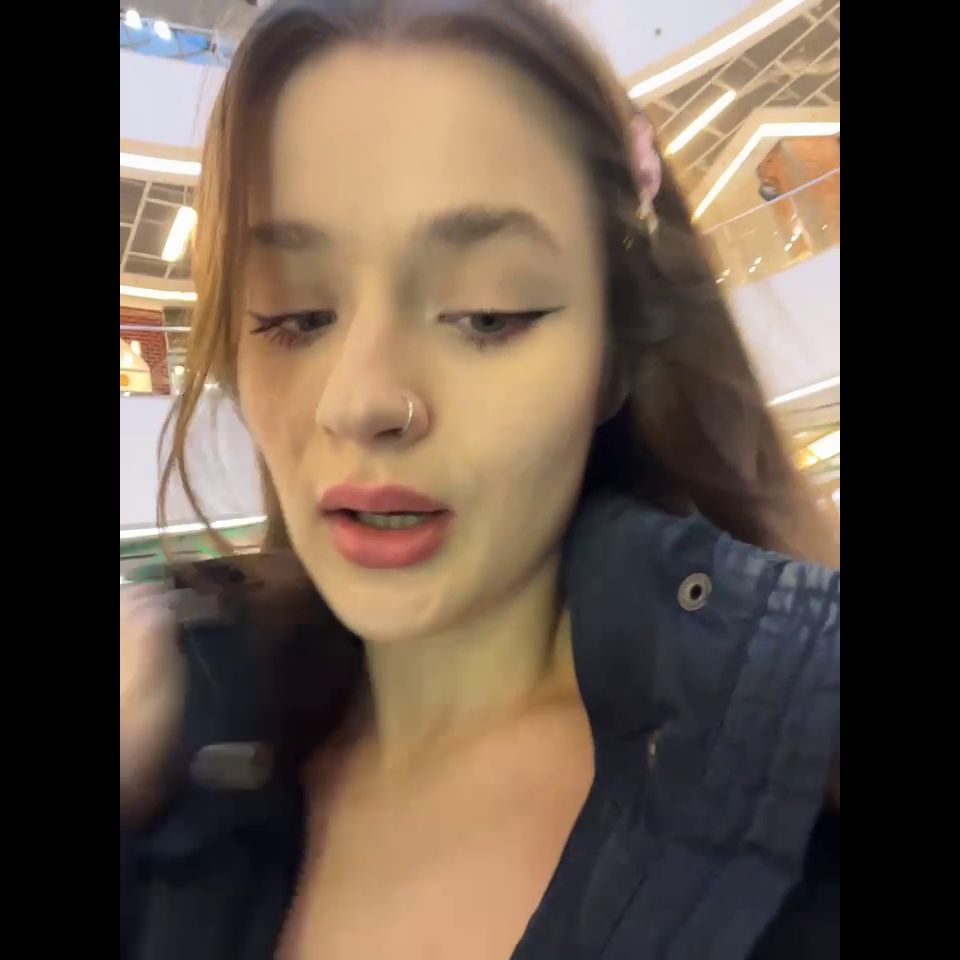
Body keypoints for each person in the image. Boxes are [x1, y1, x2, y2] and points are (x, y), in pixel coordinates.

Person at [119, 1, 840, 957]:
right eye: (295, 316)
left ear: (613, 357)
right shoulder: (177, 766)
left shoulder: (802, 796)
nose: (361, 401)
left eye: (487, 314)